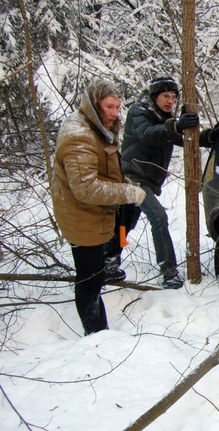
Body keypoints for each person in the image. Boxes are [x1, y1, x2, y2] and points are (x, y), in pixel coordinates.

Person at [51, 78, 146, 335]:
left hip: (95, 214)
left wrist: (122, 183)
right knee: (90, 281)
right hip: (82, 218)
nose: (115, 113)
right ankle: (96, 335)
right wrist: (127, 192)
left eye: (117, 107)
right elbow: (85, 188)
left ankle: (98, 331)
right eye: (109, 107)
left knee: (95, 274)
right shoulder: (79, 136)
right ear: (94, 105)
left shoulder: (95, 127)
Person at [113, 75, 219, 289]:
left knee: (126, 223)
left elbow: (181, 138)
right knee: (158, 217)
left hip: (147, 181)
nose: (170, 101)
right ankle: (168, 272)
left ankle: (109, 261)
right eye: (166, 96)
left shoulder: (163, 117)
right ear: (154, 96)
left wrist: (209, 137)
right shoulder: (139, 112)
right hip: (132, 178)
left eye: (173, 97)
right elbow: (147, 134)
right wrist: (176, 125)